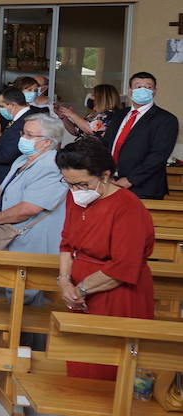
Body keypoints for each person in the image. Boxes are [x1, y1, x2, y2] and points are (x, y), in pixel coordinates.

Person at [56, 137, 155, 380]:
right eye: (69, 184)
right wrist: (64, 281)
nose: (76, 191)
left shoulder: (128, 206)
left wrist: (80, 289)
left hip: (117, 293)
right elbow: (67, 243)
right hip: (80, 289)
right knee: (81, 361)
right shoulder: (75, 197)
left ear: (105, 175)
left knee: (108, 366)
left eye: (82, 184)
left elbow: (123, 266)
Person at [0, 114, 68, 257]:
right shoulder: (21, 160)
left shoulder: (52, 165)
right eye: (23, 133)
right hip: (12, 235)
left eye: (29, 135)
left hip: (34, 240)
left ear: (47, 142)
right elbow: (0, 189)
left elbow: (29, 208)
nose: (23, 138)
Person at [100, 71, 178, 199]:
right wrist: (104, 174)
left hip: (143, 187)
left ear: (155, 91)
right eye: (138, 86)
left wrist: (129, 180)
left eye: (148, 87)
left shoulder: (166, 119)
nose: (143, 90)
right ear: (130, 91)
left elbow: (158, 156)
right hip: (110, 182)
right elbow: (106, 145)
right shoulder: (119, 115)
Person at [56, 83, 122, 139]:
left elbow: (90, 130)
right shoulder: (93, 115)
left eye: (93, 95)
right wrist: (64, 118)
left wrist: (72, 115)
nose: (90, 98)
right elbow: (75, 131)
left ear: (102, 98)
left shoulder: (109, 115)